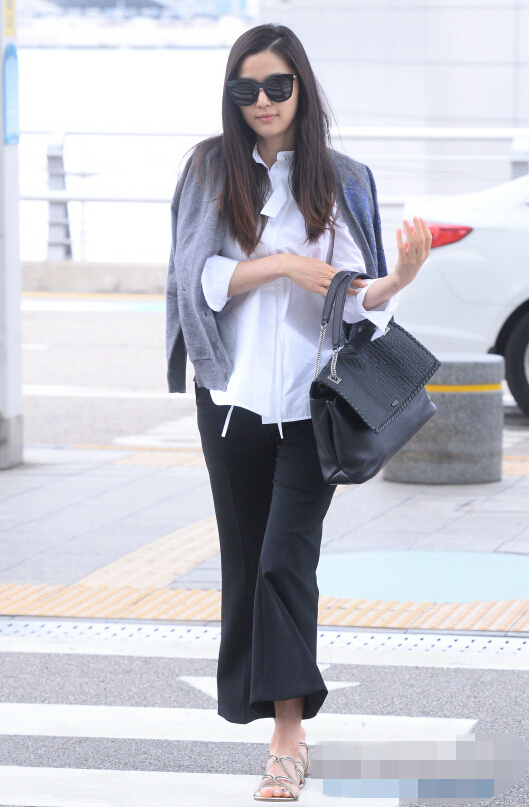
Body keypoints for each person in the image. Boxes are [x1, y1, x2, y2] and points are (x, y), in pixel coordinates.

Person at [165, 22, 432, 802]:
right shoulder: (208, 170)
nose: (262, 100)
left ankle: (289, 733)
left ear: (300, 89)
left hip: (312, 407)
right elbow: (193, 280)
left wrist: (396, 279)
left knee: (285, 559)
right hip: (231, 403)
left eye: (277, 85)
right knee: (247, 563)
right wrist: (280, 264)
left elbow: (354, 299)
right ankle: (272, 711)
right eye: (246, 87)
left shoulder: (342, 178)